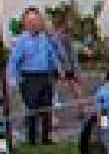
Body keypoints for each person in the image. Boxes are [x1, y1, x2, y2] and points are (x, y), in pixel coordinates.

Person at [6, 9, 65, 145]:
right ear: (25, 24)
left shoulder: (45, 38)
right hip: (29, 77)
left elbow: (52, 54)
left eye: (37, 21)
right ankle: (31, 139)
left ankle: (46, 138)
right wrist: (12, 78)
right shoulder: (22, 40)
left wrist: (59, 68)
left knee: (47, 107)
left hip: (45, 75)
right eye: (31, 21)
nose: (35, 24)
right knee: (32, 108)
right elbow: (14, 60)